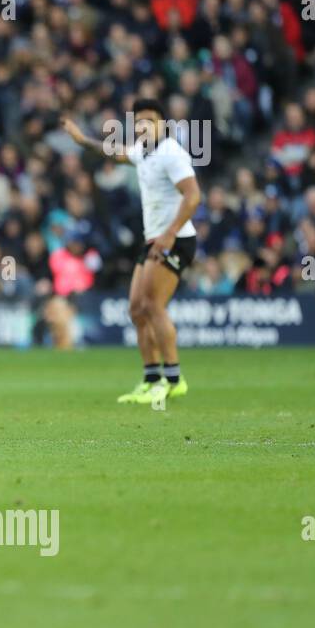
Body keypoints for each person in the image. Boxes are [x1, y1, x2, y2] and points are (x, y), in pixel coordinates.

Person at [62, 99, 202, 403]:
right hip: (154, 240)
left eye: (150, 119)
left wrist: (169, 233)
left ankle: (174, 379)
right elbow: (114, 151)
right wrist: (82, 140)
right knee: (136, 309)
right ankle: (152, 379)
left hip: (175, 239)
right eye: (139, 120)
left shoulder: (172, 154)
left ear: (162, 124)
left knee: (153, 306)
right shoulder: (143, 153)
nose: (143, 125)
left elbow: (193, 196)